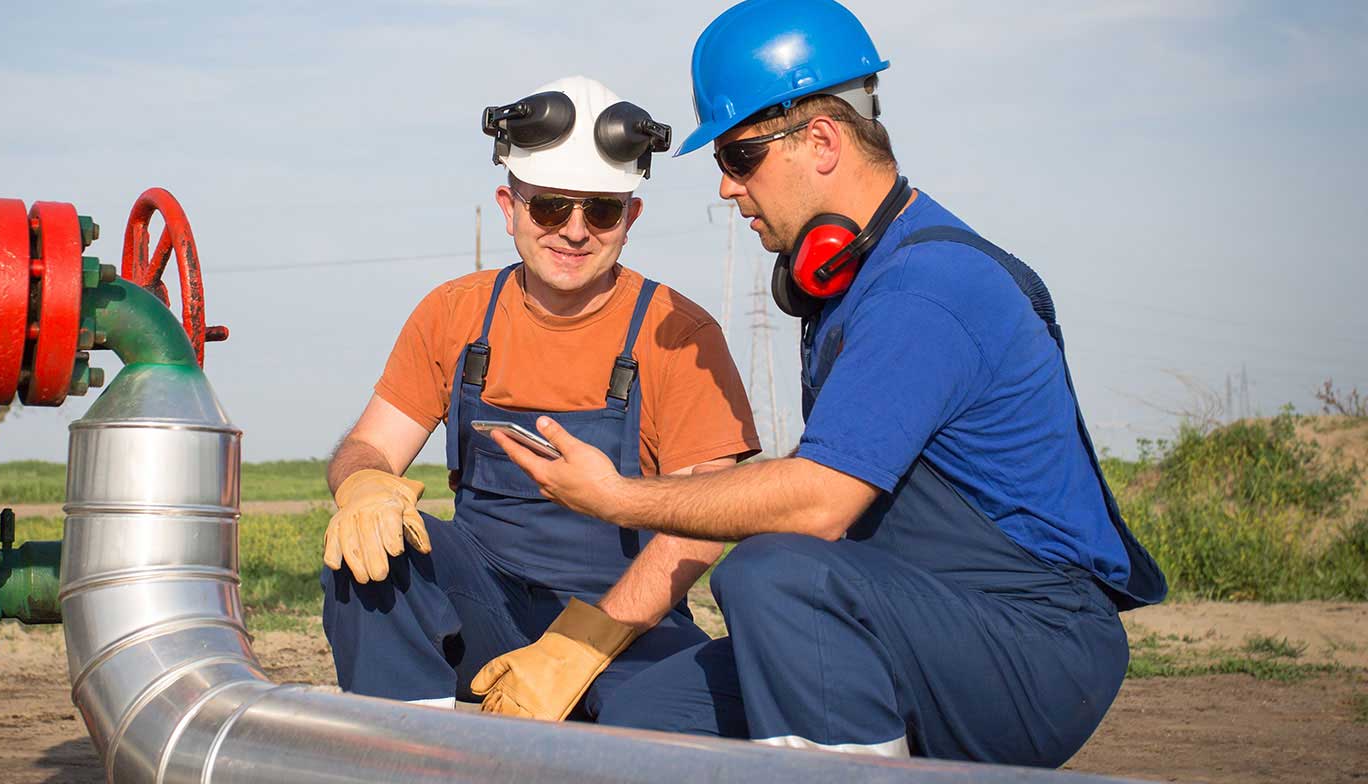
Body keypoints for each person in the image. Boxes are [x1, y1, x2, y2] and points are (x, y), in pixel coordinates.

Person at [487, 1, 1167, 767]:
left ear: (820, 139)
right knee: (640, 723)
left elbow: (819, 503)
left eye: (739, 157)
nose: (726, 189)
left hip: (1029, 644)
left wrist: (618, 498)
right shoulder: (855, 283)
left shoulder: (924, 289)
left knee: (777, 574)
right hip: (915, 615)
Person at [320, 75, 760, 723]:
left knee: (653, 721)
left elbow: (700, 530)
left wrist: (580, 646)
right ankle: (409, 755)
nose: (575, 231)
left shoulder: (679, 333)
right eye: (551, 206)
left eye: (602, 210)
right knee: (372, 559)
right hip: (485, 599)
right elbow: (370, 446)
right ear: (510, 207)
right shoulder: (454, 314)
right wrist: (360, 484)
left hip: (625, 621)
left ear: (630, 218)